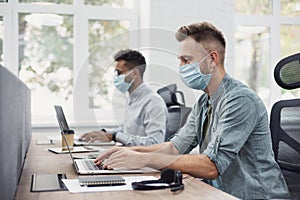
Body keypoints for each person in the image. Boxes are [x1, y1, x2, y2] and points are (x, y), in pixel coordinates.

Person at [93, 22, 290, 199]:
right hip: (219, 194)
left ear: (212, 59)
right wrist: (127, 151)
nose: (180, 67)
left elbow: (211, 166)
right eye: (179, 60)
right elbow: (174, 148)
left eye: (186, 60)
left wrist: (143, 159)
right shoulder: (205, 101)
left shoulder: (240, 100)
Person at [79, 49, 168, 146]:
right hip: (128, 155)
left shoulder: (153, 102)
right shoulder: (132, 98)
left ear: (134, 73)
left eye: (119, 73)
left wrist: (114, 137)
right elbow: (126, 131)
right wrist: (103, 133)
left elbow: (154, 143)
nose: (116, 77)